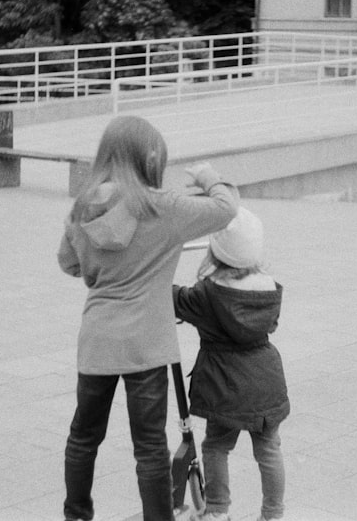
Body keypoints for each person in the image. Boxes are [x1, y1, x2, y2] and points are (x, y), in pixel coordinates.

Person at [56, 115, 238, 521]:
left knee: (83, 437)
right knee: (151, 448)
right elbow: (226, 210)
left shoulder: (83, 206)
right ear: (149, 156)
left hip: (98, 339)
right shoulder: (163, 207)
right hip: (147, 345)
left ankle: (76, 515)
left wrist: (100, 268)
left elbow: (68, 263)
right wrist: (210, 178)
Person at [173, 207, 289, 521]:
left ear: (217, 252)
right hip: (265, 381)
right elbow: (272, 325)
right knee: (268, 449)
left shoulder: (206, 295)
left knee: (216, 446)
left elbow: (174, 299)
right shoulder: (269, 290)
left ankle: (218, 511)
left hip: (223, 384)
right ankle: (273, 514)